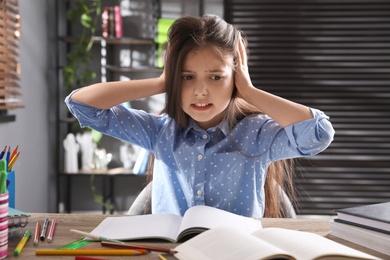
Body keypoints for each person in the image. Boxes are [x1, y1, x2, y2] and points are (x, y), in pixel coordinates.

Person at [65, 14, 334, 218]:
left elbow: (318, 134)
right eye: (187, 77)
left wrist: (249, 91)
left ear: (235, 78)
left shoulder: (257, 134)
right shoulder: (160, 131)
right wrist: (163, 82)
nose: (200, 91)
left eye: (216, 77)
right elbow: (81, 104)